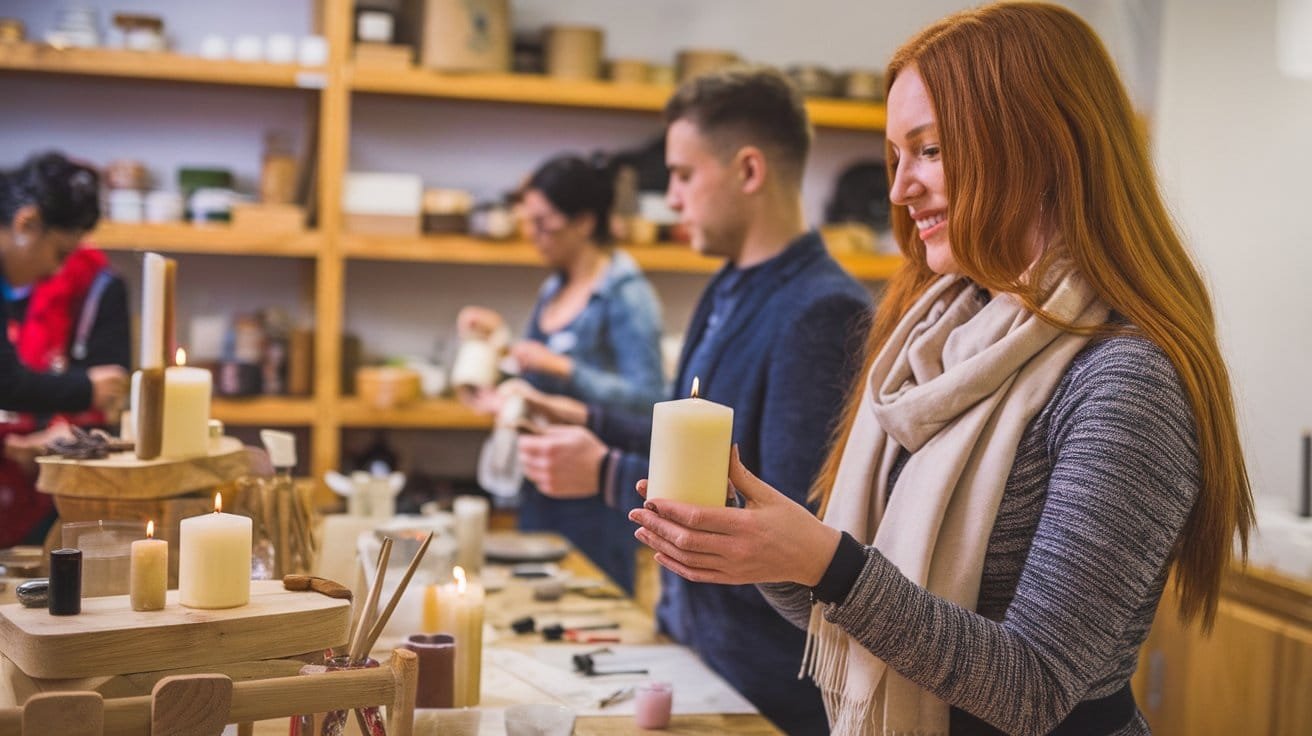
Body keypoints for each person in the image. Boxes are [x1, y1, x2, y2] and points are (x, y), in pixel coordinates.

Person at [628, 5, 1254, 735]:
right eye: (897, 157)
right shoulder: (926, 343)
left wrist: (827, 562)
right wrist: (766, 549)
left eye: (928, 151)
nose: (898, 190)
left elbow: (1035, 686)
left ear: (1038, 144)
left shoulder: (1125, 383)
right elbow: (860, 615)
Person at [512, 66, 873, 734]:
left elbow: (790, 523)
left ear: (749, 170)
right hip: (695, 648)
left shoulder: (824, 310)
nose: (670, 197)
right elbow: (693, 445)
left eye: (682, 174)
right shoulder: (730, 283)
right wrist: (589, 418)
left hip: (760, 682)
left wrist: (602, 472)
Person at [458, 153, 665, 592]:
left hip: (597, 492)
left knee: (594, 607)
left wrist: (564, 368)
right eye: (528, 221)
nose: (532, 235)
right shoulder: (555, 286)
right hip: (543, 479)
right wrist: (499, 348)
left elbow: (650, 402)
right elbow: (537, 378)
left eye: (544, 223)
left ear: (584, 223)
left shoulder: (626, 296)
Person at [0, 151, 130, 547]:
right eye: (59, 253)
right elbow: (5, 380)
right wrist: (87, 388)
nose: (58, 271)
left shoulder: (101, 286)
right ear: (27, 223)